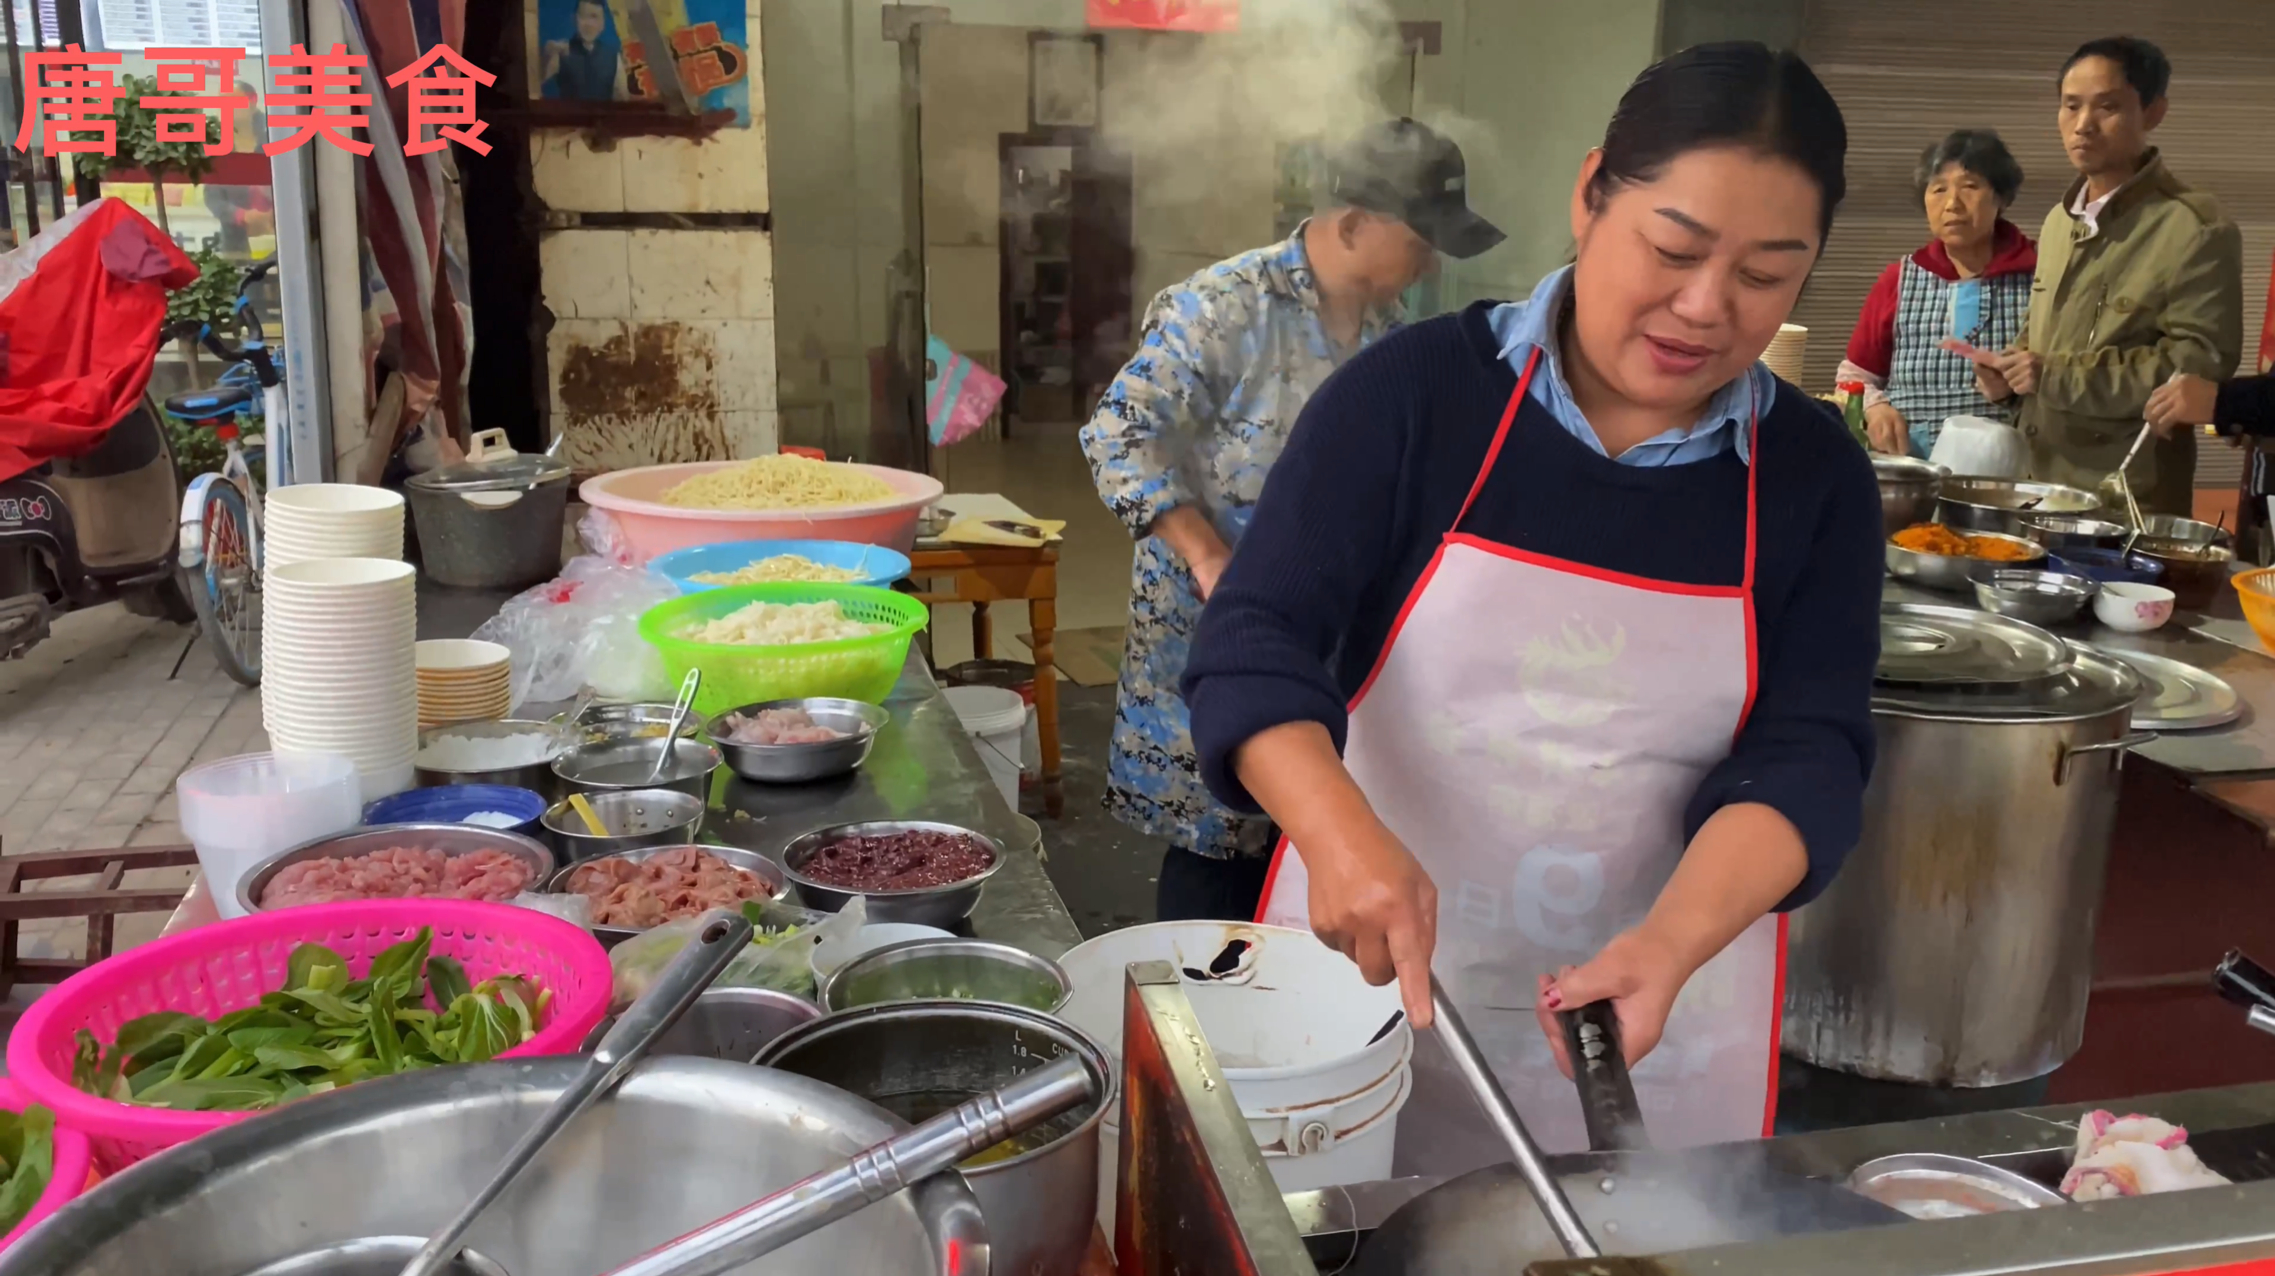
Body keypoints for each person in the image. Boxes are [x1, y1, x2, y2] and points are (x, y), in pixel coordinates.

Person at [1181, 42, 1880, 1174]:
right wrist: (1336, 827)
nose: (1704, 307)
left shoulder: (1811, 480)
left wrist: (1668, 943)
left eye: (1765, 274)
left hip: (1653, 1022)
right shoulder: (1411, 398)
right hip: (1362, 1006)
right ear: (1591, 191)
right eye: (1674, 248)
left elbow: (1809, 753)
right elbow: (1255, 640)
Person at [1079, 118, 1504, 924]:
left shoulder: (1392, 337)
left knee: (1320, 849)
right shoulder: (1222, 308)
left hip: (1335, 642)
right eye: (1419, 242)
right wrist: (1207, 557)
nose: (1428, 264)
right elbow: (1120, 434)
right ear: (1351, 225)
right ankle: (1198, 1034)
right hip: (1215, 632)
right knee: (1220, 848)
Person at [1949, 36, 2242, 515]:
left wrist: (2054, 375)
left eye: (2107, 106)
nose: (2082, 125)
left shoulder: (2194, 227)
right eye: (2070, 106)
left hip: (2124, 499)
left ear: (2153, 112)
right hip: (2036, 484)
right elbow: (2041, 337)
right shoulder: (2058, 221)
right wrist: (2010, 377)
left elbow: (2199, 365)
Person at [1838, 130, 2036, 458]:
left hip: (2004, 474)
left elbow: (2067, 378)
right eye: (1938, 189)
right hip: (1909, 470)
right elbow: (1853, 377)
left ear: (2001, 198)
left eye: (1970, 186)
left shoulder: (2042, 274)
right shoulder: (1898, 280)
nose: (1952, 203)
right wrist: (1875, 408)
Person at [544, 0, 628, 103]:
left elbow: (623, 99)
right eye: (583, 16)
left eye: (594, 17)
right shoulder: (561, 52)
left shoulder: (613, 56)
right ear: (574, 19)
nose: (589, 24)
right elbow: (534, 82)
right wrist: (546, 57)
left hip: (604, 118)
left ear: (602, 24)